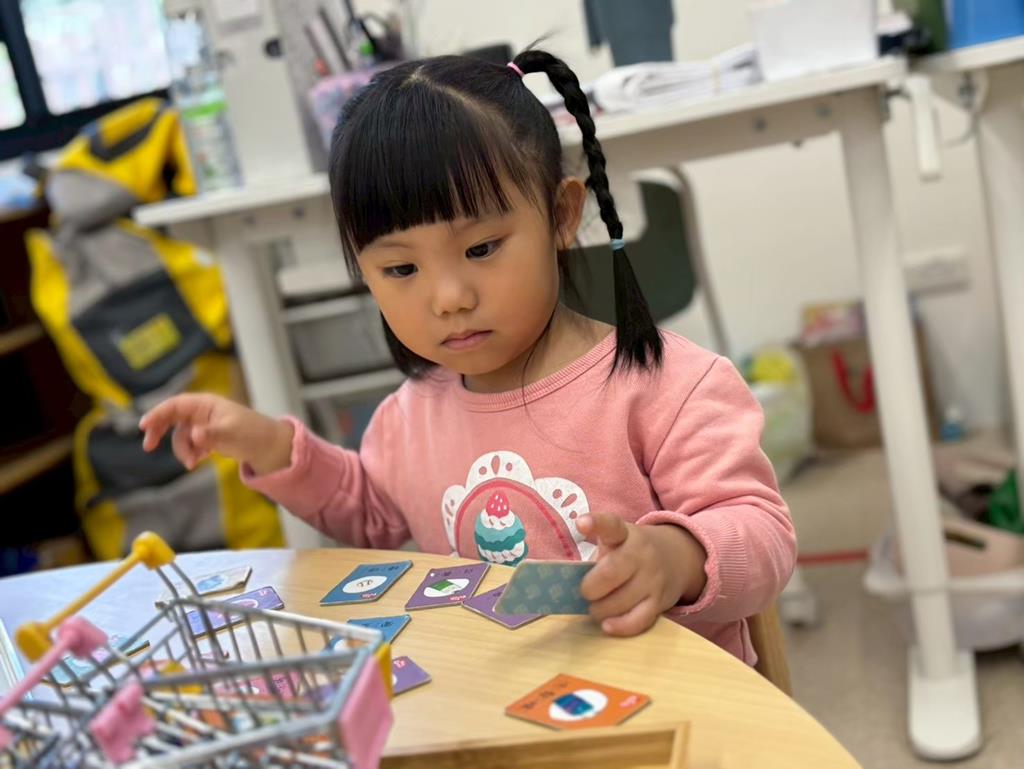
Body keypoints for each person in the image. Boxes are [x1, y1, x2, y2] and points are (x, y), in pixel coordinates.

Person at [139, 49, 796, 665]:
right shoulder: (410, 417)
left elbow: (762, 533)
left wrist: (675, 557)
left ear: (562, 215)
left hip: (676, 697)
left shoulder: (669, 386)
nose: (449, 297)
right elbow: (368, 511)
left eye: (481, 249)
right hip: (507, 699)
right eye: (400, 268)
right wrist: (269, 446)